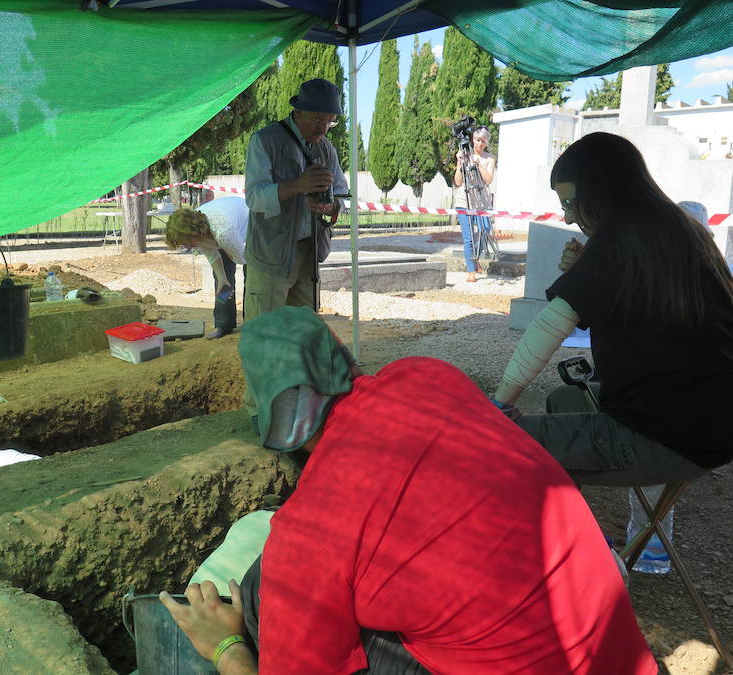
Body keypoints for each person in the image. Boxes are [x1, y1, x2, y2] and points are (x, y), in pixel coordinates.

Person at [160, 306, 657, 675]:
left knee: (263, 591)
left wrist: (227, 649)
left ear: (268, 419)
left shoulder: (310, 529)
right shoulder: (427, 374)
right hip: (616, 653)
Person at [491, 132, 733, 486]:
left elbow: (548, 329)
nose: (570, 218)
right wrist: (582, 271)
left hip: (666, 435)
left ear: (602, 192)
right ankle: (577, 523)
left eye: (571, 204)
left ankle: (562, 538)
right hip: (713, 424)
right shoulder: (681, 228)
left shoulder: (617, 240)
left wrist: (496, 406)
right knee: (564, 399)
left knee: (495, 442)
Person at [241, 78, 348, 426]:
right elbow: (255, 198)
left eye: (329, 120)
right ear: (297, 110)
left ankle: (299, 407)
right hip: (270, 255)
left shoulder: (327, 149)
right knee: (265, 334)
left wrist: (331, 207)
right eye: (317, 119)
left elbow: (341, 196)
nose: (323, 127)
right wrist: (297, 186)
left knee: (302, 335)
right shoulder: (265, 141)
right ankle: (260, 412)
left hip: (306, 252)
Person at [165, 196, 249, 339]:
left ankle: (252, 322)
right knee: (222, 282)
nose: (186, 246)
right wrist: (223, 279)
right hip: (221, 230)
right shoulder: (197, 232)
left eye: (187, 242)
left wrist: (231, 255)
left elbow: (244, 260)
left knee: (253, 276)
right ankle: (224, 325)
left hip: (247, 224)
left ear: (195, 233)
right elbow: (213, 256)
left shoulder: (223, 231)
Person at [452, 126, 496, 282]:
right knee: (468, 238)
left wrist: (479, 165)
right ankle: (471, 271)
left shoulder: (489, 158)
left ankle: (475, 256)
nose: (480, 144)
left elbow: (488, 180)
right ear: (473, 140)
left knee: (485, 231)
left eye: (484, 141)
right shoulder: (465, 155)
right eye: (478, 140)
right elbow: (458, 182)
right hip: (464, 201)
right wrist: (459, 164)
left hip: (482, 202)